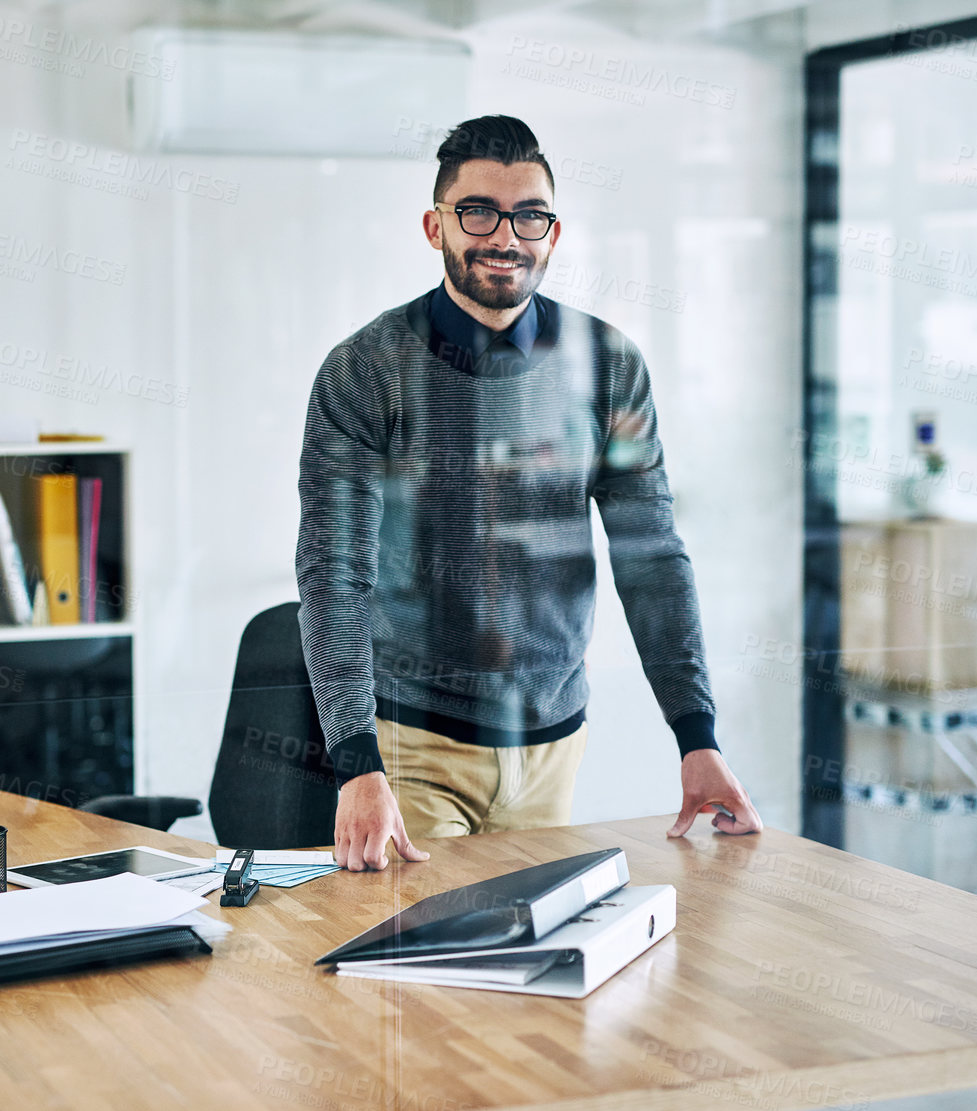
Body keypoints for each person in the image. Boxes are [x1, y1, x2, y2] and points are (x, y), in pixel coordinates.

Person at [296, 114, 762, 873]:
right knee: (422, 972)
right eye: (477, 211)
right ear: (433, 224)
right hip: (412, 742)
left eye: (528, 215)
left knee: (527, 973)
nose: (503, 236)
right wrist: (355, 759)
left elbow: (651, 559)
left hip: (553, 745)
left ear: (552, 231)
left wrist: (697, 736)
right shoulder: (366, 369)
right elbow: (332, 570)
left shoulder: (608, 365)